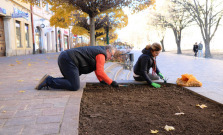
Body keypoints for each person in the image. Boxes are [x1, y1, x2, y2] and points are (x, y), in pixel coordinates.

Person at [35, 45, 119, 91]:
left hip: (66, 58)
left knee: (72, 81)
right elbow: (100, 71)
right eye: (111, 55)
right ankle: (48, 81)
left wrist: (101, 80)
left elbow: (96, 69)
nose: (111, 58)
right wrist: (111, 82)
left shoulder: (100, 51)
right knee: (74, 86)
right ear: (108, 51)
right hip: (69, 60)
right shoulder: (101, 54)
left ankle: (48, 80)